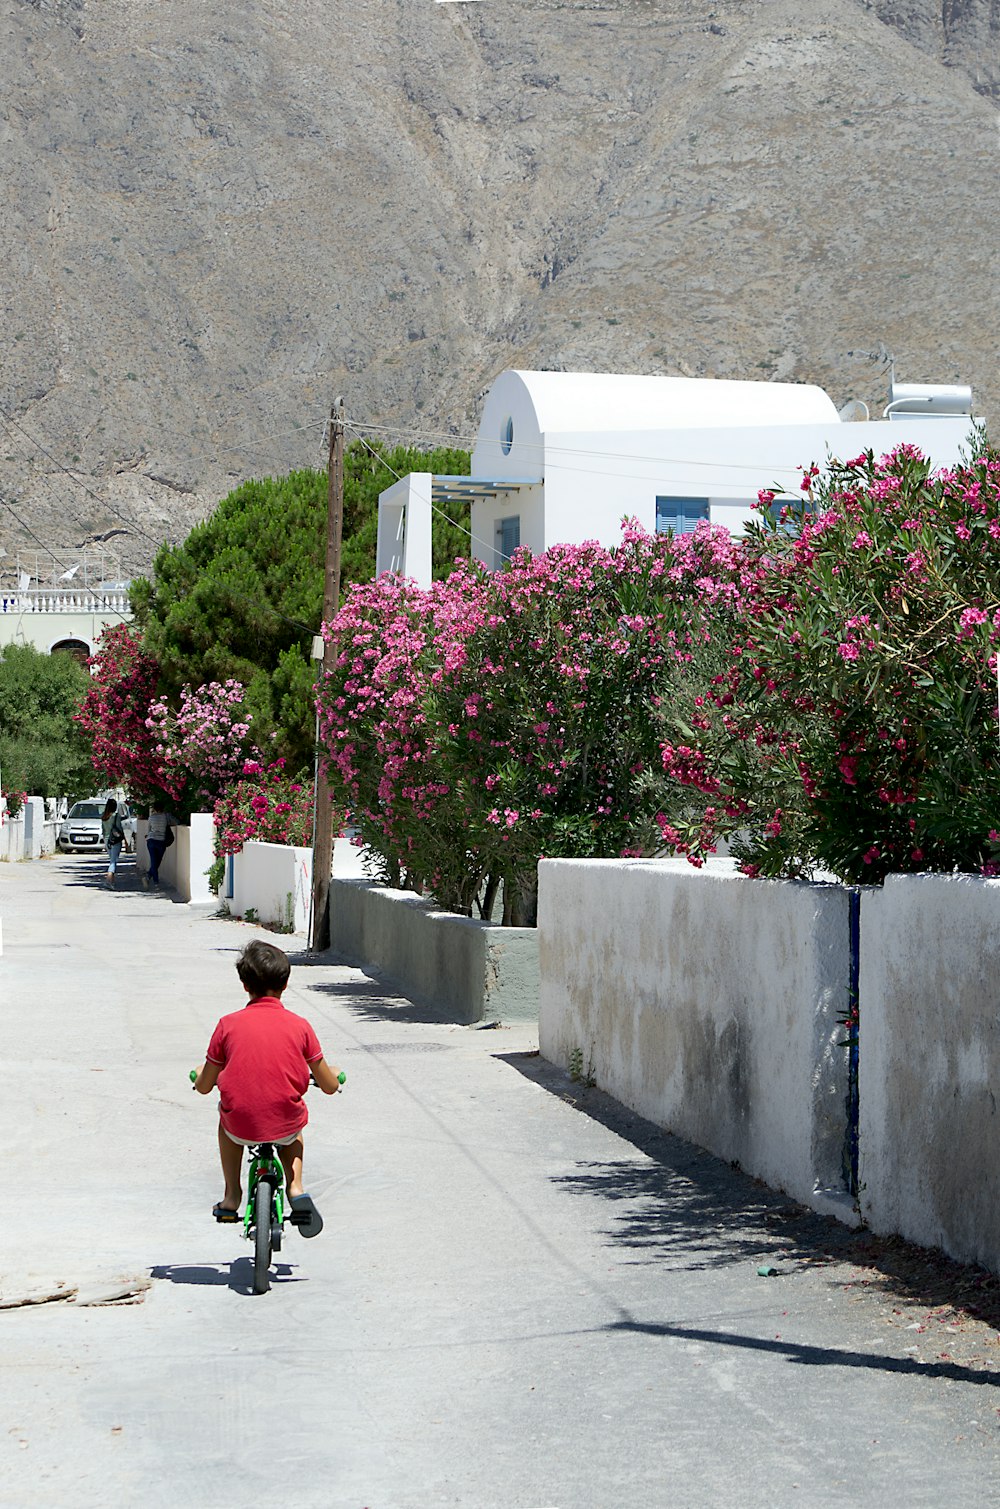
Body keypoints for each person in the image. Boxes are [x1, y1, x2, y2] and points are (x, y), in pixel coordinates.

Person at [193, 939, 342, 1237]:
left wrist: (199, 1075)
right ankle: (295, 1186)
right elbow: (327, 1085)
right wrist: (334, 1076)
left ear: (244, 985)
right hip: (285, 1121)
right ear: (285, 985)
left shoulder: (227, 1025)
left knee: (226, 1124)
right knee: (295, 1127)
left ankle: (232, 1195)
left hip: (241, 1125)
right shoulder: (300, 1026)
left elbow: (205, 1085)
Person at [144, 802, 173, 887]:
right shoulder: (166, 816)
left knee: (154, 861)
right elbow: (176, 822)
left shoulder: (151, 817)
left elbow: (149, 830)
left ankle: (149, 877)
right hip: (161, 841)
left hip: (151, 840)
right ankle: (155, 881)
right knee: (157, 861)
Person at [100, 798, 126, 889]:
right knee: (113, 861)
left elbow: (103, 830)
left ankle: (112, 882)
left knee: (112, 859)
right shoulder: (116, 816)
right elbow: (119, 828)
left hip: (107, 840)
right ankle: (108, 880)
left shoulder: (104, 816)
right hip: (115, 840)